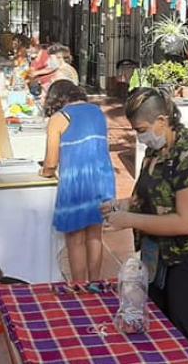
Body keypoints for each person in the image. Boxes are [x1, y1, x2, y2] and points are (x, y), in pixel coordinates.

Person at [101, 88, 188, 364]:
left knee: (187, 331)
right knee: (160, 327)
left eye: (141, 129)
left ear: (162, 120)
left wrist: (129, 220)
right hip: (158, 253)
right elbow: (145, 196)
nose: (139, 136)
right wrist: (120, 206)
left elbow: (184, 222)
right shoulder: (154, 150)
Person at [39, 80, 115, 287]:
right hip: (102, 178)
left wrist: (44, 172)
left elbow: (51, 162)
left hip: (76, 181)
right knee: (95, 234)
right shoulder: (97, 112)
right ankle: (95, 283)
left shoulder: (58, 118)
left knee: (75, 239)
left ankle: (79, 286)